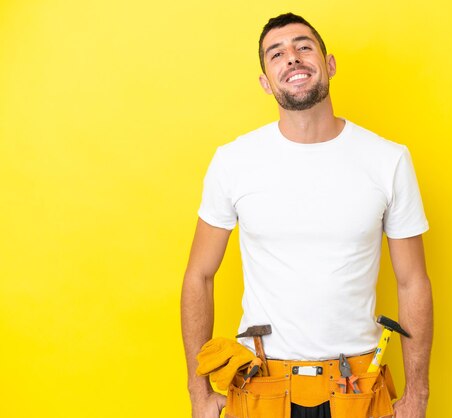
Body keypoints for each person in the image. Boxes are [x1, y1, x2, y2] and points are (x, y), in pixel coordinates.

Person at [181, 12, 433, 418]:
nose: (292, 58)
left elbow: (412, 281)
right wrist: (198, 393)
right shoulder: (234, 162)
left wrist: (417, 393)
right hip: (260, 388)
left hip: (357, 388)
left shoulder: (388, 159)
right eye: (276, 54)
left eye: (303, 47)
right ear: (266, 82)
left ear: (329, 64)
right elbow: (199, 276)